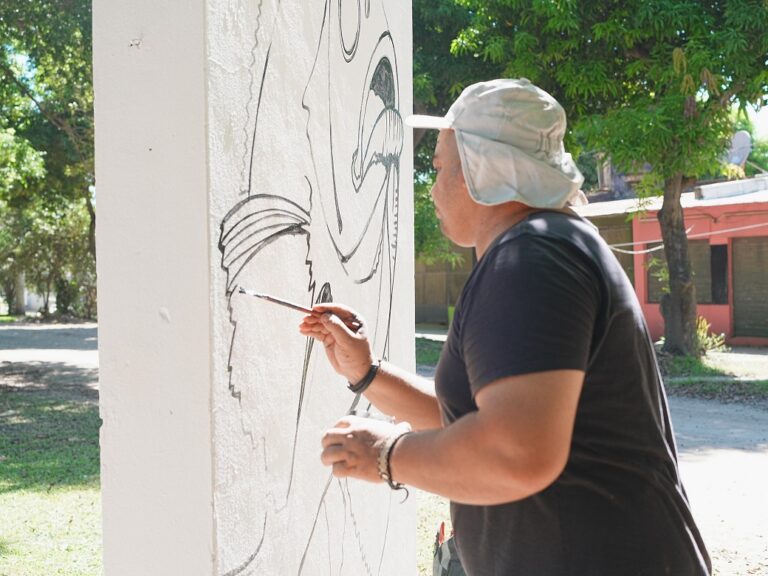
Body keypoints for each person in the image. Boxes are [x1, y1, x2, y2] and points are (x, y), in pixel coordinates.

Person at [299, 78, 711, 575]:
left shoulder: (531, 257)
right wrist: (366, 372)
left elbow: (515, 452)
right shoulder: (548, 246)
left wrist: (384, 454)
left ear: (482, 168)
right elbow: (472, 420)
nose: (431, 188)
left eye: (440, 168)